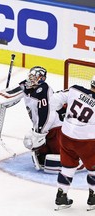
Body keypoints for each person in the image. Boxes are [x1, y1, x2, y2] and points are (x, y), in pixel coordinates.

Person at [0, 66, 65, 173]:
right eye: (30, 76)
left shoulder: (44, 90)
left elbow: (47, 114)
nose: (31, 79)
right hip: (40, 126)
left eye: (34, 76)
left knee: (58, 153)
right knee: (39, 150)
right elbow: (14, 92)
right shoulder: (26, 85)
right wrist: (3, 99)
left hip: (54, 127)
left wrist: (40, 132)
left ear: (41, 78)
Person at [50, 75, 95, 211]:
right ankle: (93, 198)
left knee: (68, 166)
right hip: (86, 141)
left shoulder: (75, 90)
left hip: (66, 136)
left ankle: (61, 196)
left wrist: (62, 112)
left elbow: (54, 100)